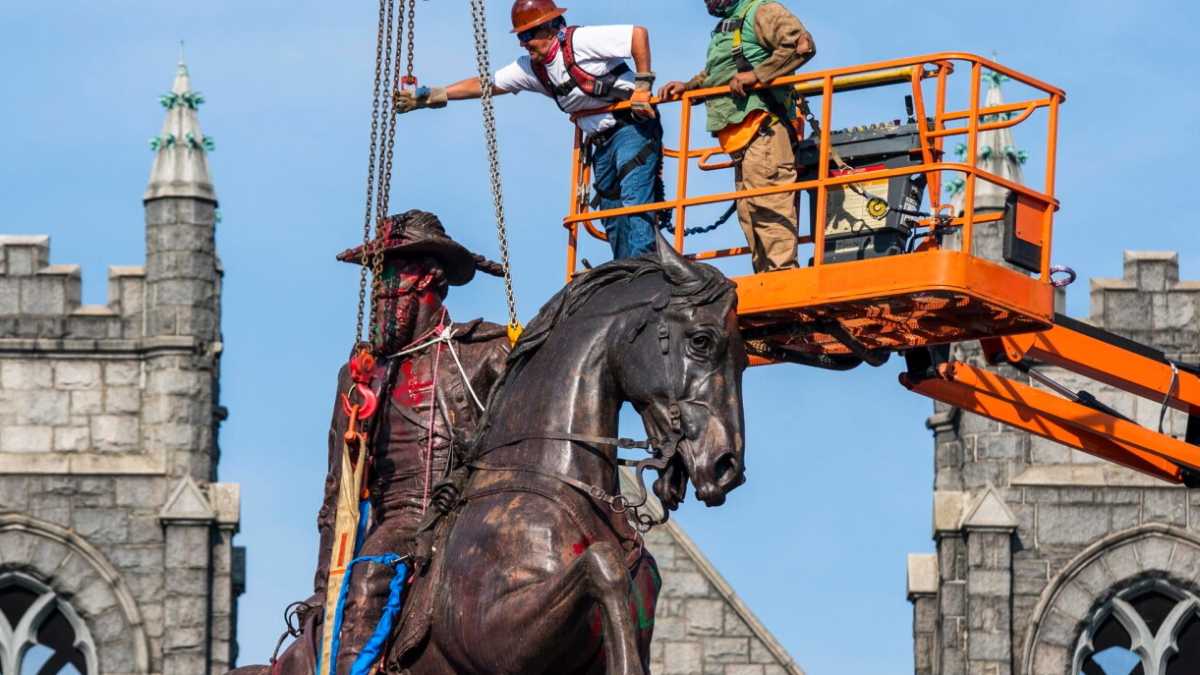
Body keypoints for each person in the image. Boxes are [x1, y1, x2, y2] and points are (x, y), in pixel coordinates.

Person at [238, 210, 512, 675]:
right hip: (400, 522)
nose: (380, 293)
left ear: (428, 277)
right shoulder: (360, 377)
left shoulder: (485, 352)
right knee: (367, 583)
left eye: (391, 275)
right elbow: (336, 495)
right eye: (376, 279)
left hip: (476, 511)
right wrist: (323, 591)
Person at [394, 0, 664, 260]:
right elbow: (486, 84)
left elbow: (636, 35)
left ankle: (644, 268)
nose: (523, 43)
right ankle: (624, 272)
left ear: (550, 28)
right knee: (610, 211)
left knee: (634, 201)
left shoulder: (580, 42)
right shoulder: (533, 68)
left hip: (632, 127)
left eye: (529, 35)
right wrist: (434, 95)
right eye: (521, 37)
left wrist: (642, 86)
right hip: (601, 140)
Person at [659, 0, 816, 272]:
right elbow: (719, 71)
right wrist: (689, 86)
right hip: (743, 137)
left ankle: (782, 276)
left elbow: (802, 45)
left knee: (768, 206)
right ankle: (767, 279)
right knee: (749, 214)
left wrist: (757, 75)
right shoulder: (729, 25)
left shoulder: (761, 11)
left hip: (763, 127)